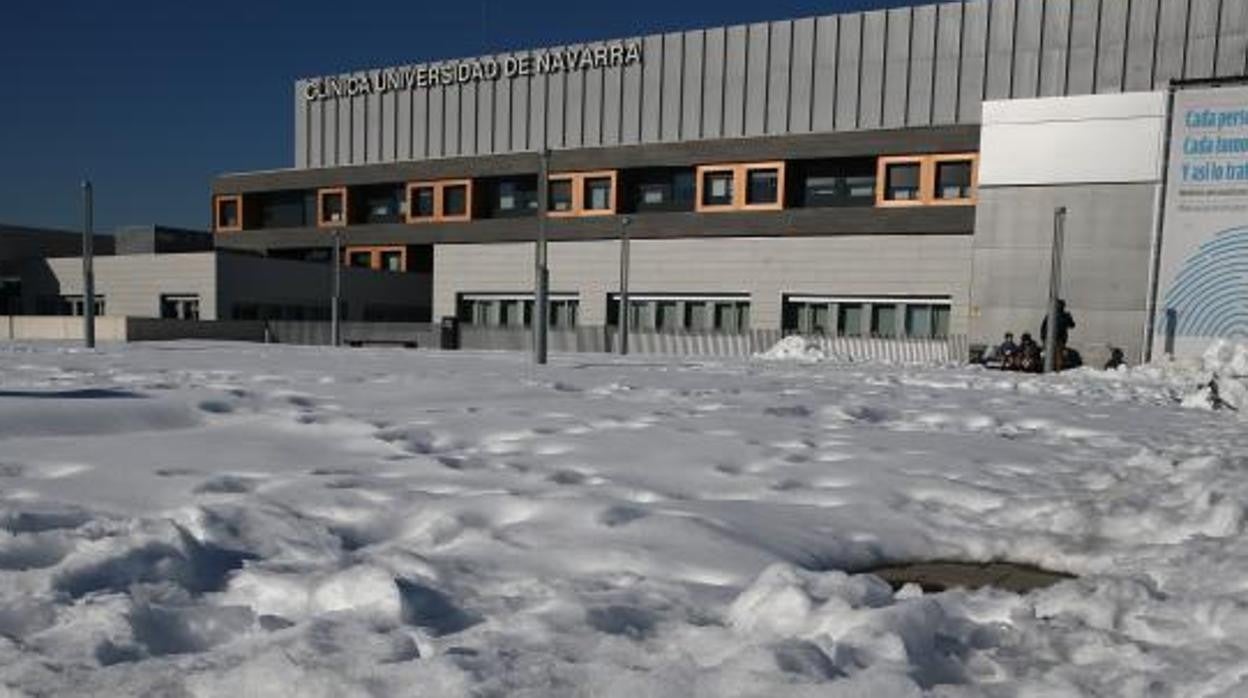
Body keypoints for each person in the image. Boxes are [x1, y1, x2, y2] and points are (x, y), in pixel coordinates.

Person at [1040, 300, 1077, 371]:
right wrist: (1043, 338)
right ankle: (1048, 369)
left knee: (1058, 356)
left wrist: (1069, 318)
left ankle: (1057, 370)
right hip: (1051, 339)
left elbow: (1072, 325)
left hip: (1059, 339)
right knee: (1048, 355)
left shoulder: (1064, 315)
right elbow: (1044, 327)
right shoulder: (1051, 315)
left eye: (1061, 306)